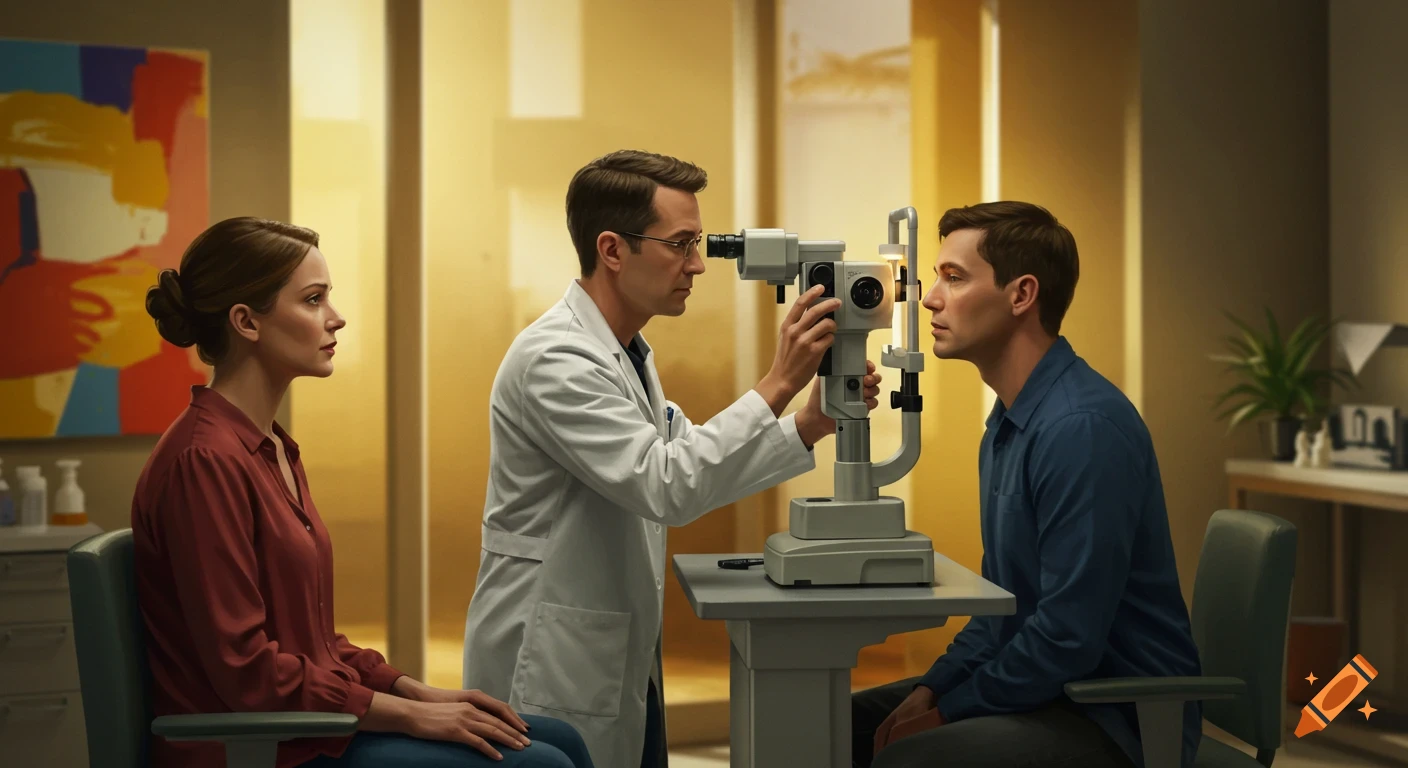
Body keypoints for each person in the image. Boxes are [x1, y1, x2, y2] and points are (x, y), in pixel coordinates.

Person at [461, 149, 883, 768]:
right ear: (612, 250)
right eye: (681, 244)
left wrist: (809, 424)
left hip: (613, 646)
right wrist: (777, 382)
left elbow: (684, 454)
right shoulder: (554, 360)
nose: (698, 265)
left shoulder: (624, 352)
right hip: (552, 658)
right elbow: (667, 485)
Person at [134, 217, 595, 768]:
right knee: (541, 763)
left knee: (560, 739)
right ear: (245, 322)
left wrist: (411, 689)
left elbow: (313, 642)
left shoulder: (272, 447)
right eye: (312, 299)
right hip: (262, 748)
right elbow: (246, 671)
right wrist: (406, 715)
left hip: (307, 726)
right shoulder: (204, 460)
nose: (337, 316)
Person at [851, 202, 1203, 768]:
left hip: (1115, 716)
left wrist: (950, 711)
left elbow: (1068, 635)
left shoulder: (1080, 429)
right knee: (839, 723)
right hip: (1049, 690)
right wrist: (934, 688)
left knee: (909, 757)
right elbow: (1003, 605)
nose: (929, 298)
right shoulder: (1010, 423)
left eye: (954, 278)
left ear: (1021, 296)